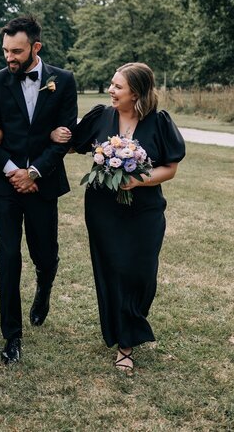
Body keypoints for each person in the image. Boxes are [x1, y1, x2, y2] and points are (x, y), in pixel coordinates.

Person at [59, 62, 185, 374]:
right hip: (104, 210)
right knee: (113, 270)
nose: (111, 90)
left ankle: (132, 321)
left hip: (145, 211)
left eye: (118, 87)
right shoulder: (101, 115)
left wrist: (139, 180)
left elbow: (170, 168)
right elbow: (75, 144)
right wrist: (59, 134)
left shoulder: (158, 122)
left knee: (141, 272)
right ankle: (125, 341)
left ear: (137, 93)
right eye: (112, 84)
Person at [0, 15, 78, 364]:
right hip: (6, 184)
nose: (10, 57)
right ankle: (12, 335)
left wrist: (34, 172)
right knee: (8, 257)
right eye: (6, 50)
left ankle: (44, 286)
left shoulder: (62, 81)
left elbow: (66, 134)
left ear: (36, 47)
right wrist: (12, 171)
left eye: (17, 51)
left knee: (44, 252)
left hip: (43, 183)